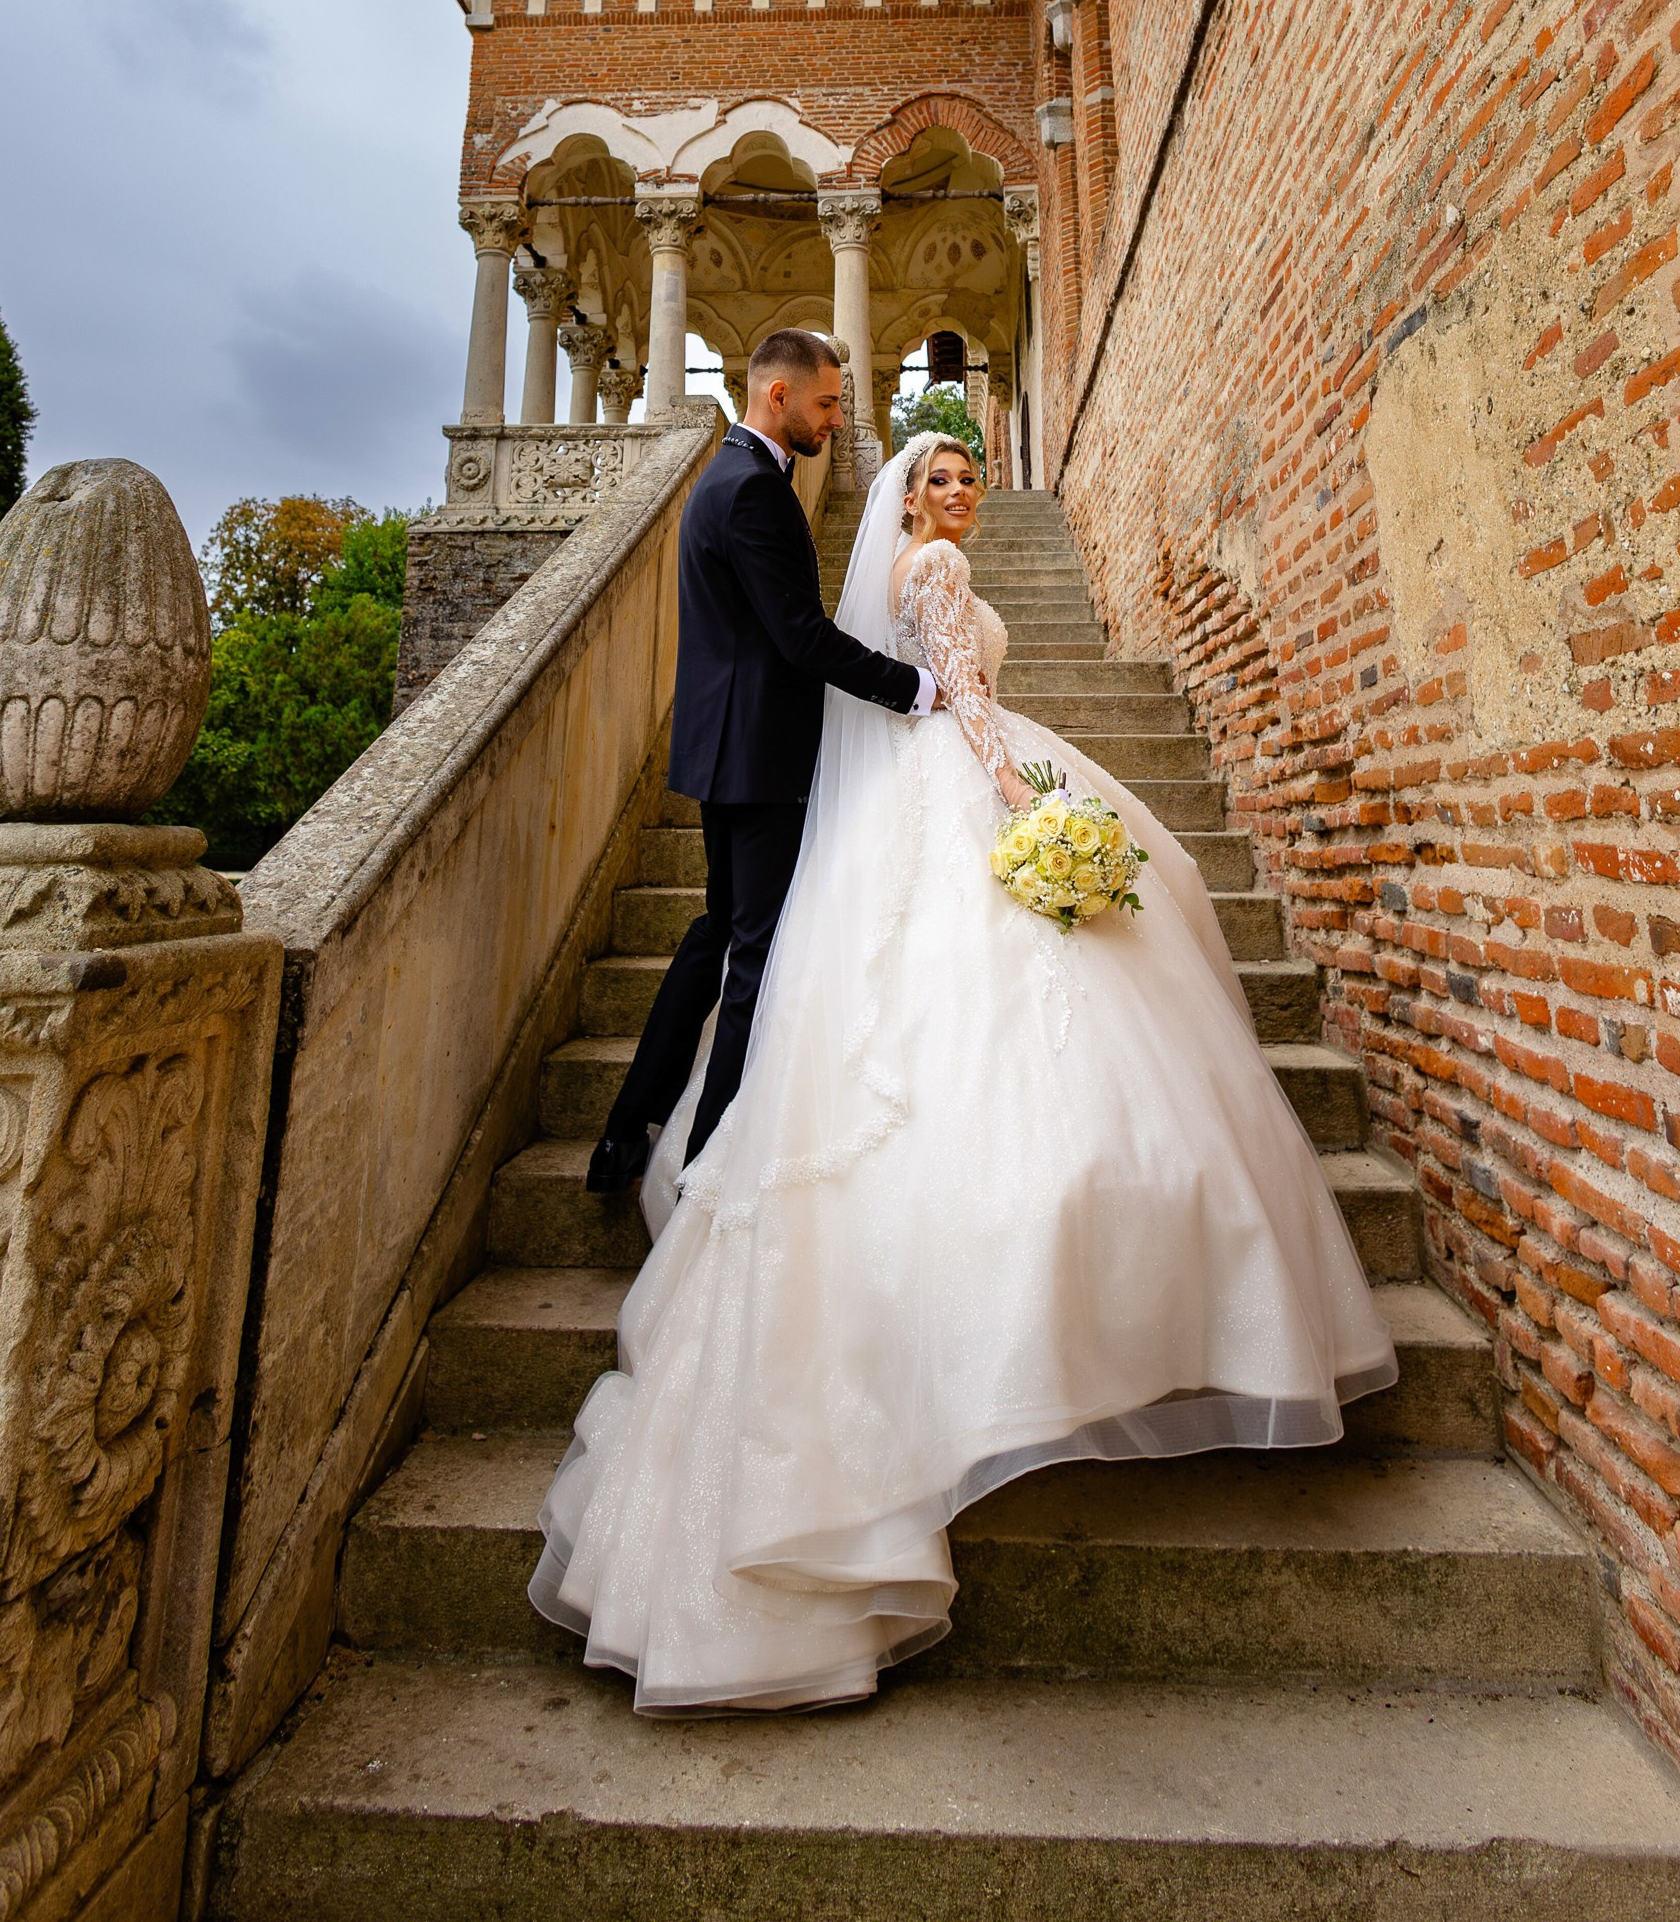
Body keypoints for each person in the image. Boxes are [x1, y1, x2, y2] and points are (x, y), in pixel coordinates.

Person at [534, 428, 1397, 1714]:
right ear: (907, 500)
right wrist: (1022, 802)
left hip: (931, 768)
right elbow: (962, 697)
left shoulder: (923, 562)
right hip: (965, 770)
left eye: (965, 480)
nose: (958, 496)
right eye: (938, 481)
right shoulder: (931, 574)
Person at [584, 328, 937, 1196]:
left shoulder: (733, 481)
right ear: (776, 396)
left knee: (718, 935)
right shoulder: (750, 491)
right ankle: (707, 1162)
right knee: (754, 954)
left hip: (727, 749)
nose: (836, 420)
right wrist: (916, 689)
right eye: (825, 404)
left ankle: (626, 1133)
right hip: (760, 757)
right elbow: (799, 635)